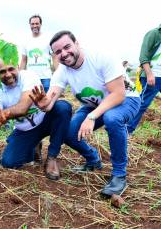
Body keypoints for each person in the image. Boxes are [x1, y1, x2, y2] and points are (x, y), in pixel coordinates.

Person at [31, 30, 140, 196]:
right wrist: (44, 103)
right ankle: (93, 160)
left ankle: (119, 175)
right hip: (94, 104)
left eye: (67, 47)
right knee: (68, 133)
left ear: (77, 44)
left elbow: (118, 94)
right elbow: (52, 95)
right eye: (58, 52)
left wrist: (92, 116)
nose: (64, 54)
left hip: (125, 100)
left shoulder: (100, 57)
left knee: (112, 118)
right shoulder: (63, 70)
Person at [0, 60, 72, 180]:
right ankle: (35, 145)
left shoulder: (28, 76)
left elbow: (22, 108)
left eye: (11, 69)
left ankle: (52, 157)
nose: (8, 74)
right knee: (9, 162)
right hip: (25, 130)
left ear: (18, 67)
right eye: (2, 72)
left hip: (45, 120)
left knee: (62, 108)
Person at [127, 24, 161, 134]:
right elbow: (143, 56)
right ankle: (127, 130)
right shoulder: (154, 33)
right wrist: (149, 74)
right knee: (142, 104)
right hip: (152, 75)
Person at [19, 14, 57, 93]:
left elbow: (55, 57)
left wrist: (57, 75)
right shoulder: (25, 40)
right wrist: (20, 76)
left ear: (40, 24)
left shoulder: (48, 39)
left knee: (47, 100)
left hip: (46, 78)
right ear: (29, 25)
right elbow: (23, 60)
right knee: (32, 103)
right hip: (30, 78)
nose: (35, 26)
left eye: (37, 23)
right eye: (32, 24)